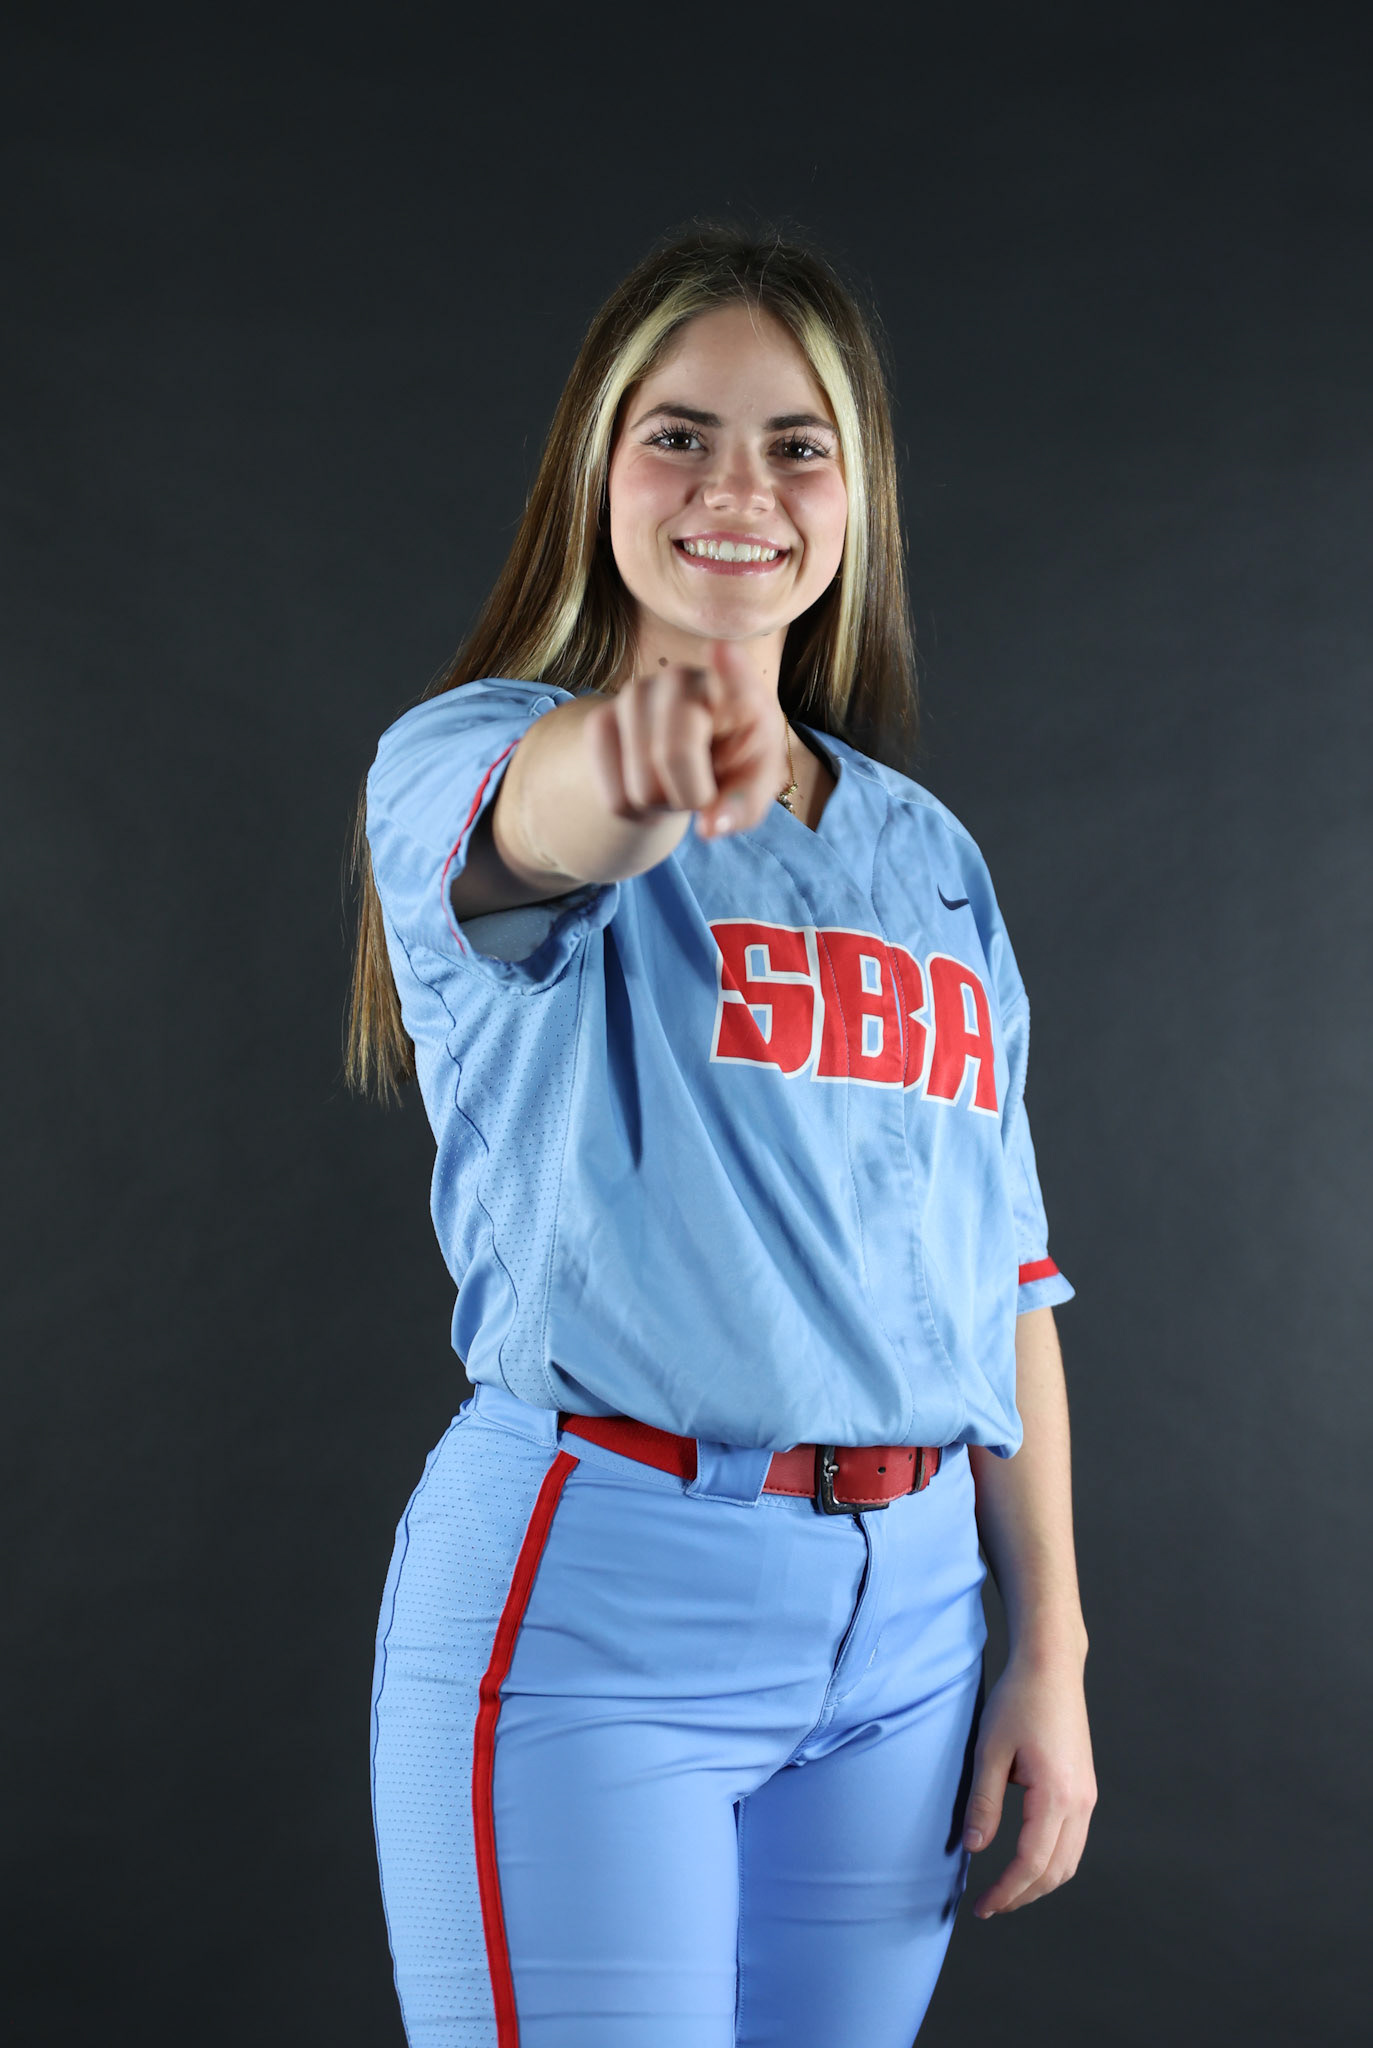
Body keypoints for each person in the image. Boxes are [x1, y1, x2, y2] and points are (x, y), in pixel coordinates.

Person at [346, 224, 1097, 2048]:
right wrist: (655, 746)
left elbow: (999, 1268)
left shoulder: (927, 854)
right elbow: (544, 831)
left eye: (794, 444)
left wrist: (1046, 1646)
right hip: (602, 1594)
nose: (735, 487)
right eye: (676, 434)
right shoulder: (469, 749)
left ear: (857, 495)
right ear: (593, 469)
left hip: (912, 1626)